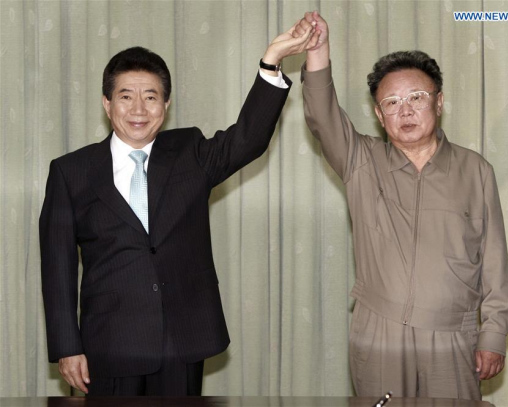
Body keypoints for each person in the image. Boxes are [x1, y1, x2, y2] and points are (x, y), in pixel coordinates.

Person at [39, 22, 320, 396]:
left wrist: (271, 62)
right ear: (107, 103)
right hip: (109, 342)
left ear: (166, 105)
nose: (139, 108)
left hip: (182, 339)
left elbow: (248, 139)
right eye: (126, 96)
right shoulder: (71, 171)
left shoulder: (189, 152)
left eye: (151, 97)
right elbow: (56, 264)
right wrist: (67, 345)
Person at [294, 12, 508, 400]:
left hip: (452, 336)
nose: (406, 110)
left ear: (439, 102)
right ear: (379, 115)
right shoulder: (361, 160)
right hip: (379, 334)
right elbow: (323, 117)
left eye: (417, 98)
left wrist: (493, 333)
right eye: (391, 102)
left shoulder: (475, 170)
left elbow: (493, 260)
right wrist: (318, 51)